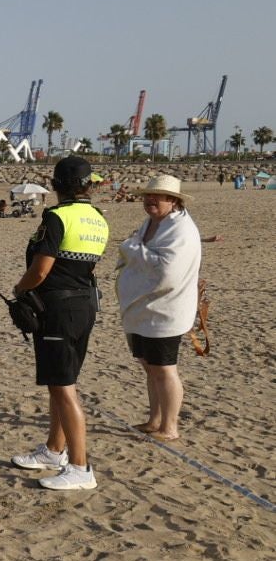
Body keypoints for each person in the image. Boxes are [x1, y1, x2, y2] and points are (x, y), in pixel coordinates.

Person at [10, 155, 110, 490]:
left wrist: (19, 289)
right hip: (84, 306)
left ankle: (81, 467)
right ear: (89, 185)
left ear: (55, 185)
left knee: (65, 389)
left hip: (59, 309)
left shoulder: (56, 217)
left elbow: (41, 269)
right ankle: (55, 450)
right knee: (60, 381)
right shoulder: (98, 219)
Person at [115, 175, 201, 441]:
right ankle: (154, 420)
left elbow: (167, 270)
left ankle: (170, 426)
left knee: (165, 368)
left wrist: (132, 249)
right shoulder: (151, 223)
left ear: (173, 201)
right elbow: (143, 254)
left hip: (167, 310)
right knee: (148, 365)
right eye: (148, 196)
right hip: (143, 309)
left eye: (158, 196)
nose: (151, 200)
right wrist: (134, 249)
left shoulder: (182, 230)